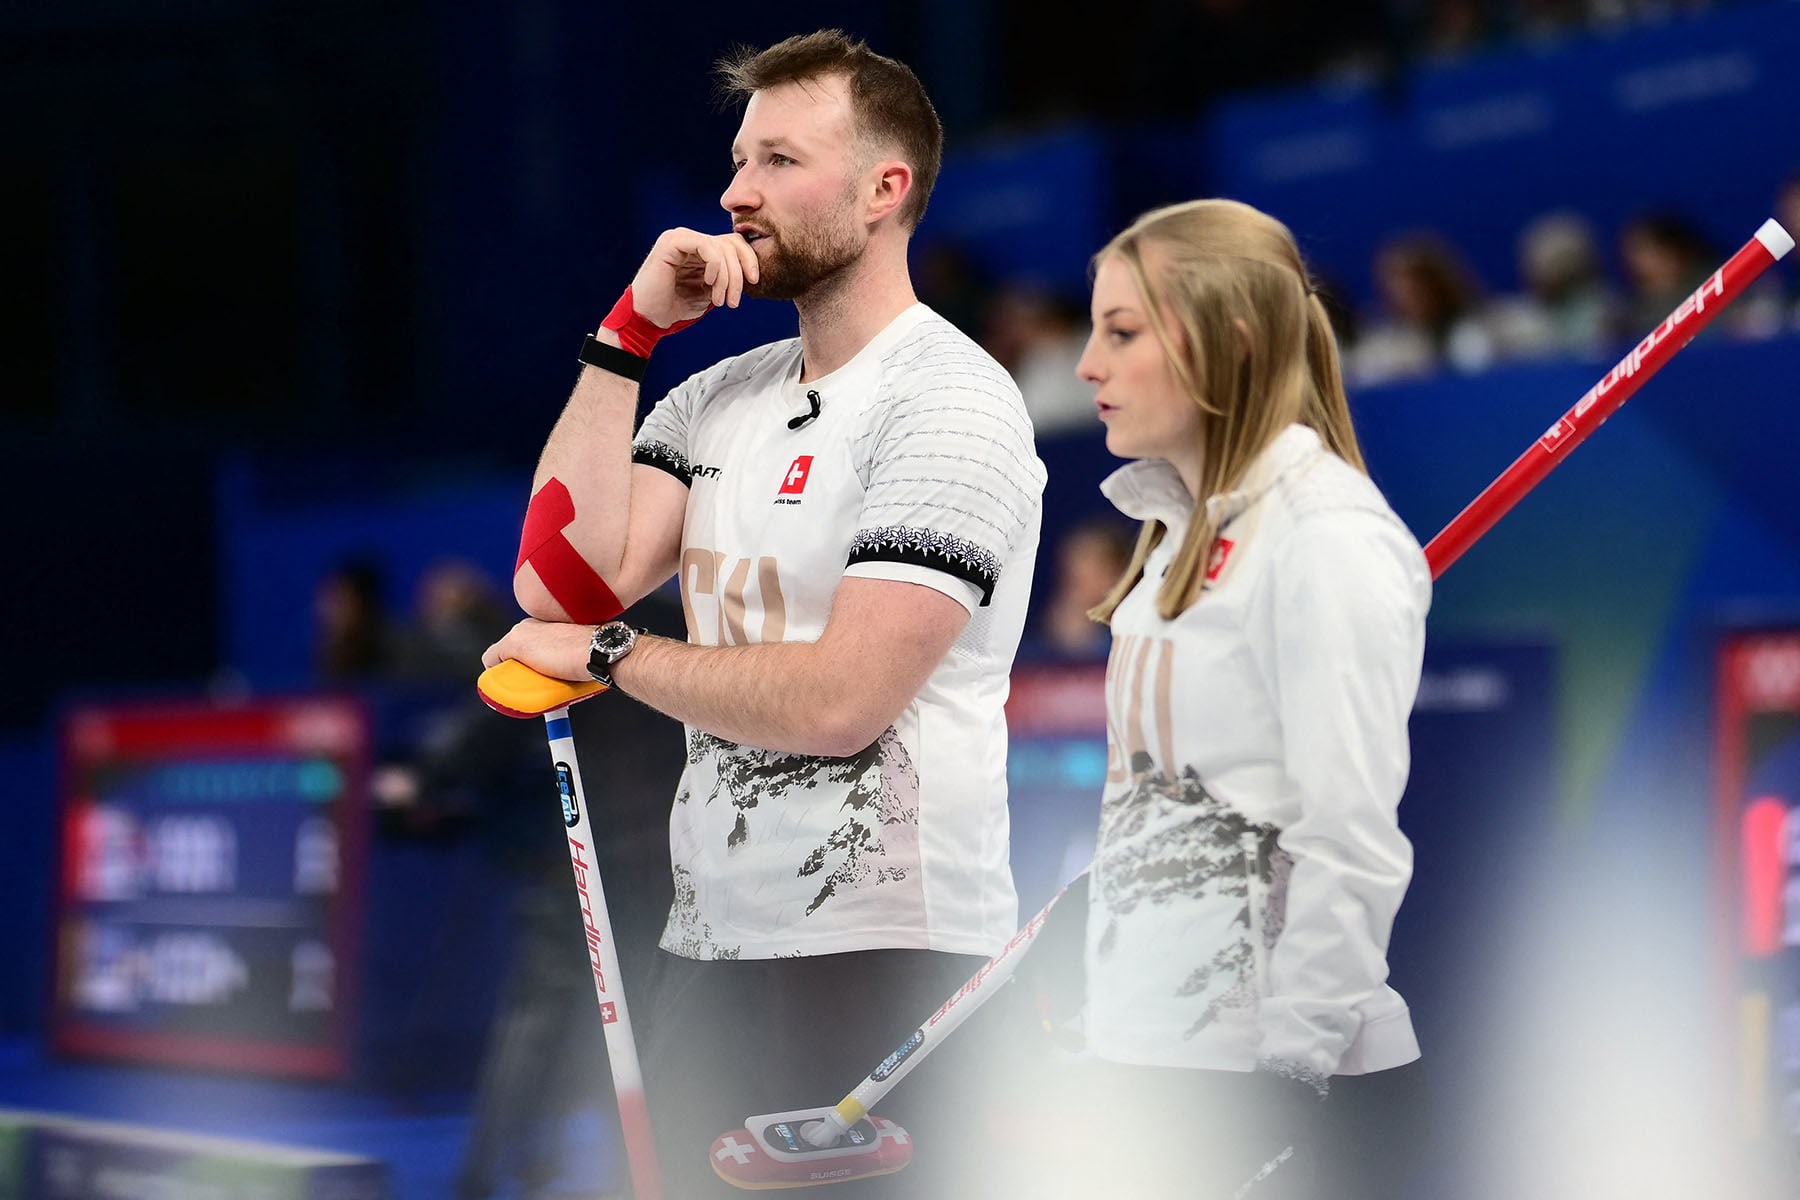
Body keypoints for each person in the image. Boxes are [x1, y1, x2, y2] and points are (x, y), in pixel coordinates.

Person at [481, 29, 1046, 1199]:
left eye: (780, 160)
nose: (736, 192)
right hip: (712, 947)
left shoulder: (953, 403)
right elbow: (557, 584)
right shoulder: (714, 398)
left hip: (887, 965)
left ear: (885, 190)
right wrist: (627, 333)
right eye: (738, 159)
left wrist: (613, 656)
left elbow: (841, 702)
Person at [1047, 198, 1432, 1198]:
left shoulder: (1326, 539)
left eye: (1122, 332)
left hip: (1283, 1094)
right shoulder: (1172, 533)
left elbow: (1350, 836)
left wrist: (1289, 1074)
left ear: (1235, 340)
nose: (1088, 364)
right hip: (1157, 1068)